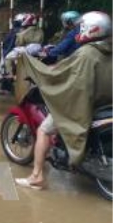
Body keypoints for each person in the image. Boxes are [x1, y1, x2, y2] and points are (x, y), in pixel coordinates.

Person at [15, 11, 112, 190]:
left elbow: (63, 75)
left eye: (83, 27)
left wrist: (38, 70)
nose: (79, 31)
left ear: (92, 29)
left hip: (85, 106)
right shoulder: (108, 50)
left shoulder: (86, 54)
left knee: (44, 130)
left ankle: (36, 176)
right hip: (105, 105)